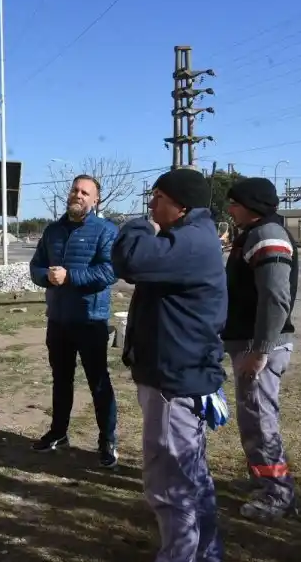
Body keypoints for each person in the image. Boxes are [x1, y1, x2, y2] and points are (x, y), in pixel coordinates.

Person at [112, 168, 228, 562]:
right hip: (181, 373)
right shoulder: (192, 237)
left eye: (157, 197)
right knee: (192, 478)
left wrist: (137, 226)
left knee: (170, 483)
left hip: (175, 380)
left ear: (181, 204)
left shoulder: (192, 241)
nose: (151, 204)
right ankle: (205, 553)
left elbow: (130, 260)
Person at [28, 174, 119, 468]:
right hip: (59, 320)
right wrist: (45, 277)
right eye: (74, 190)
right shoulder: (53, 231)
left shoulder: (106, 231)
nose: (77, 195)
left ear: (95, 200)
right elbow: (36, 266)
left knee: (99, 382)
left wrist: (70, 277)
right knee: (61, 380)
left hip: (90, 320)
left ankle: (107, 440)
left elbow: (109, 272)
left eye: (85, 192)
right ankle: (58, 432)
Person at [223, 177, 298, 520]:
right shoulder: (251, 234)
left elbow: (275, 298)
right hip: (249, 344)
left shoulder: (268, 235)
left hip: (260, 347)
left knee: (260, 420)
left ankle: (277, 494)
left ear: (251, 205)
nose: (230, 208)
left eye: (234, 202)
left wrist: (261, 348)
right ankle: (261, 478)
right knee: (252, 418)